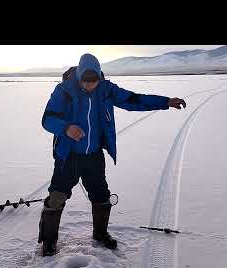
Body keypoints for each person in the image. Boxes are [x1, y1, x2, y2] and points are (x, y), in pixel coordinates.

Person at [38, 53, 186, 256]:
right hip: (69, 155)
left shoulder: (106, 90)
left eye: (94, 82)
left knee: (101, 196)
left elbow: (134, 100)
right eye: (86, 82)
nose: (90, 86)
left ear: (99, 77)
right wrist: (66, 128)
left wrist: (165, 102)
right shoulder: (64, 91)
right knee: (56, 197)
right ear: (79, 76)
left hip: (94, 156)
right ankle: (48, 243)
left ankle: (100, 235)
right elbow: (47, 119)